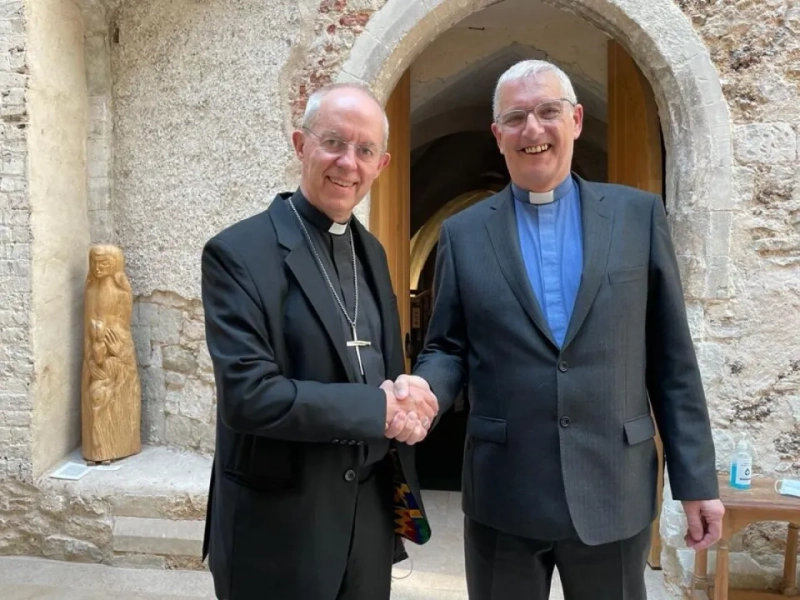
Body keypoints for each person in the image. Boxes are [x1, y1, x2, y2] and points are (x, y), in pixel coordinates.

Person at [395, 59, 724, 599]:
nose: (533, 129)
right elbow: (448, 347)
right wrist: (426, 389)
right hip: (504, 489)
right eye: (515, 117)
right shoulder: (463, 233)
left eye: (548, 111)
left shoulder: (637, 218)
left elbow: (672, 360)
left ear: (576, 119)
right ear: (498, 134)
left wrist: (695, 481)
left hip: (613, 486)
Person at [200, 82, 438, 600]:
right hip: (277, 527)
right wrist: (377, 409)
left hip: (368, 523)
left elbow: (384, 369)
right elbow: (248, 396)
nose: (348, 163)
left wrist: (407, 397)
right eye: (333, 142)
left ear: (382, 164)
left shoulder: (372, 252)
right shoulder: (238, 252)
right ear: (300, 144)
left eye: (365, 150)